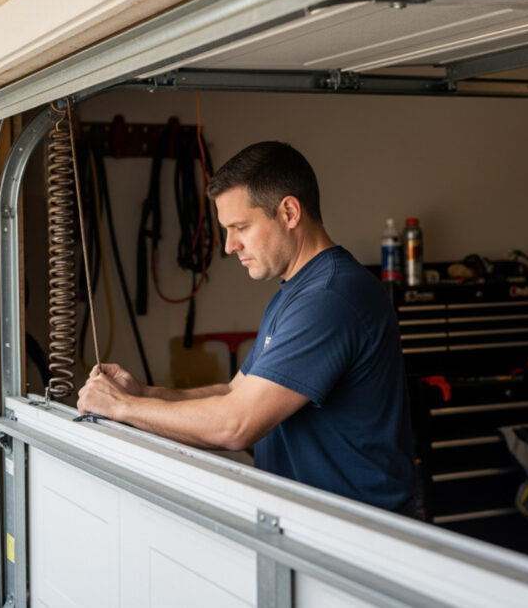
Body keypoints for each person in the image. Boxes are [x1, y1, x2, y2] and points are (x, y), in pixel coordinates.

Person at [78, 141, 417, 513]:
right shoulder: (297, 291)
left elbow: (234, 425)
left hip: (359, 536)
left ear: (289, 212)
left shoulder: (330, 298)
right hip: (316, 528)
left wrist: (122, 407)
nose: (228, 246)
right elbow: (232, 392)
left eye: (240, 227)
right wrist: (142, 394)